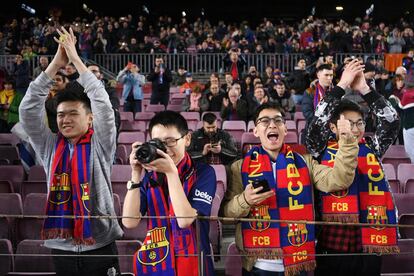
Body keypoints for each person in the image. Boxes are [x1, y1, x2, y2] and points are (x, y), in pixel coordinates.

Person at [19, 27, 122, 275]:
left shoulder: (101, 142)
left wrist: (76, 59)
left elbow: (103, 104)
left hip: (101, 245)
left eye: (73, 114)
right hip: (61, 247)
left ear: (90, 120)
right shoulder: (49, 145)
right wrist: (56, 64)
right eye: (61, 115)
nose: (65, 119)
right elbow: (28, 109)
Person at [221, 100, 359, 276]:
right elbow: (225, 216)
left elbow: (339, 180)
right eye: (265, 121)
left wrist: (347, 141)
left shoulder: (305, 162)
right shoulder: (239, 168)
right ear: (255, 131)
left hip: (298, 264)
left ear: (286, 129)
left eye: (278, 120)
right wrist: (245, 200)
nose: (272, 124)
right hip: (257, 267)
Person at [305, 59, 400, 276]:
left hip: (368, 246)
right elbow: (316, 122)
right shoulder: (320, 149)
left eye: (359, 123)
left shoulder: (371, 148)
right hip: (331, 247)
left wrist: (365, 90)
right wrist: (341, 86)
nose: (355, 129)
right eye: (347, 123)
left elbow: (392, 121)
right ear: (333, 127)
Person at [122, 110, 216, 275]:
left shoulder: (204, 173)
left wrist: (171, 173)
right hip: (157, 259)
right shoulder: (149, 178)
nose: (165, 149)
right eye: (157, 143)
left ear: (187, 139)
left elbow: (185, 221)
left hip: (194, 261)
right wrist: (136, 174)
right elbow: (130, 222)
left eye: (170, 141)